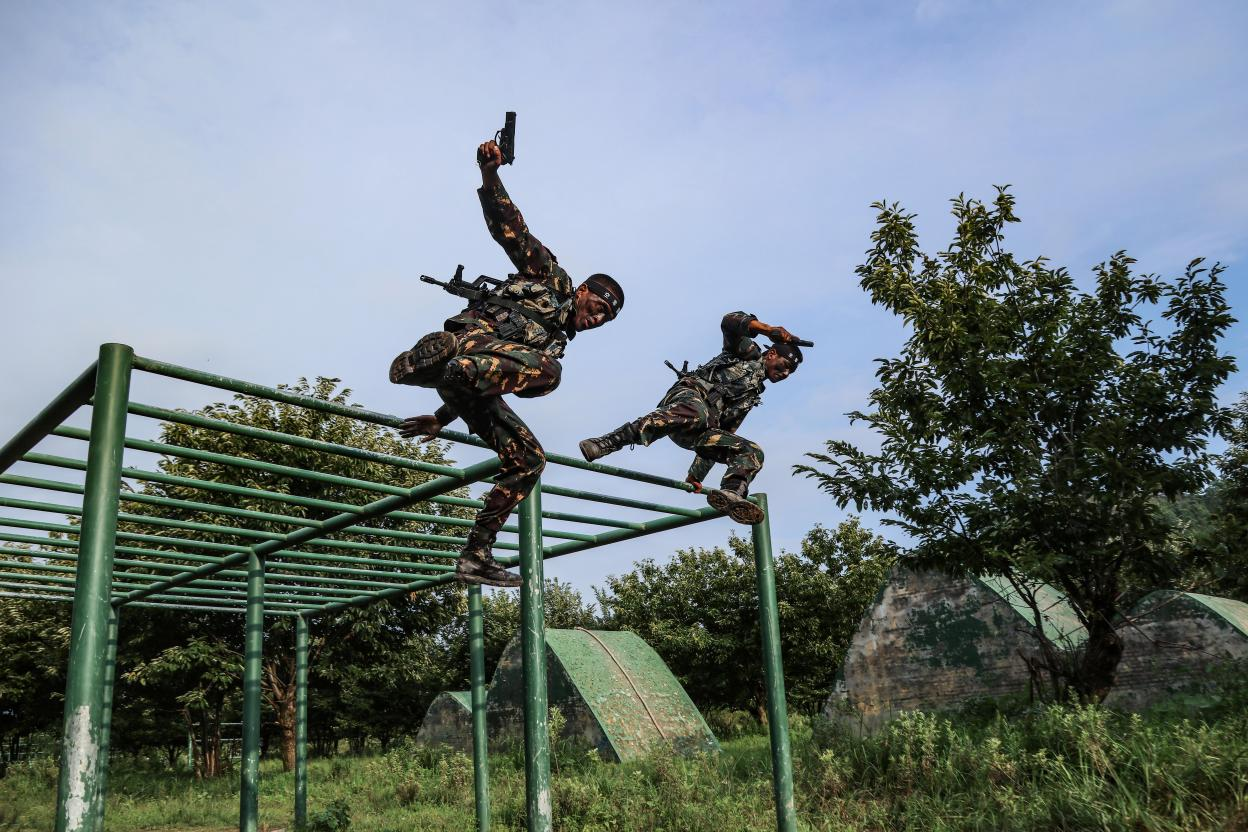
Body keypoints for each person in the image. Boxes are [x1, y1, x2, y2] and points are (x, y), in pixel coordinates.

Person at [390, 138, 624, 587]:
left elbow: (503, 377)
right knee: (549, 374)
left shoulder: (554, 343)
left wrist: (442, 418)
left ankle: (475, 555)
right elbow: (510, 229)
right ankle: (447, 358)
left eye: (605, 319)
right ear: (582, 292)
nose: (596, 319)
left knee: (529, 459)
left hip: (469, 381)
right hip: (471, 340)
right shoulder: (552, 280)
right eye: (597, 307)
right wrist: (490, 175)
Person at [578, 312, 803, 525]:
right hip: (686, 400)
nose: (784, 374)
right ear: (771, 354)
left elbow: (725, 432)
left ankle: (732, 493)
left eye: (790, 373)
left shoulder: (751, 396)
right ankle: (609, 442)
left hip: (698, 429)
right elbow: (729, 323)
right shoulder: (746, 353)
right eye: (784, 366)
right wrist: (766, 329)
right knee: (698, 413)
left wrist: (695, 475)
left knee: (752, 451)